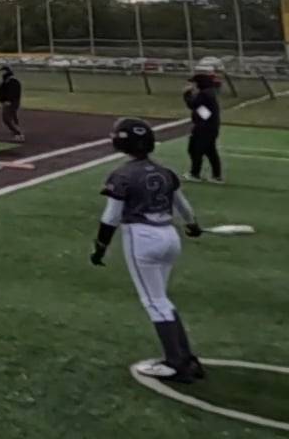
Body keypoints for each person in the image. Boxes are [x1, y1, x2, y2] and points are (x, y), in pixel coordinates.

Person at [91, 117, 206, 383]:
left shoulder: (122, 175)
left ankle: (176, 363)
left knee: (154, 301)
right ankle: (187, 358)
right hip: (169, 236)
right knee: (161, 299)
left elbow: (111, 216)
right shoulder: (164, 172)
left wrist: (100, 246)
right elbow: (182, 204)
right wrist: (192, 224)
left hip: (142, 238)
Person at [182, 59, 224, 184]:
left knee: (195, 149)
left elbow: (192, 104)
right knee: (210, 150)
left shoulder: (204, 94)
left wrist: (187, 95)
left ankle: (195, 174)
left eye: (194, 83)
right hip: (210, 126)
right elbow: (201, 110)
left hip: (204, 127)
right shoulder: (208, 93)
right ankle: (216, 176)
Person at [0, 65, 24, 141]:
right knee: (13, 117)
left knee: (6, 119)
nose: (1, 73)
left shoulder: (12, 81)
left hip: (11, 103)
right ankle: (17, 130)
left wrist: (8, 101)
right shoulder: (5, 81)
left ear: (6, 71)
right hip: (9, 102)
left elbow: (13, 92)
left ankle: (18, 133)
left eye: (3, 71)